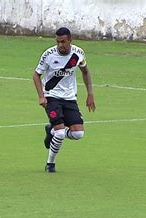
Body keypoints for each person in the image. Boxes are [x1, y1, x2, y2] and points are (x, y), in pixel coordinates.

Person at [32, 27, 96, 173]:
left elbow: (85, 71)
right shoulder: (48, 54)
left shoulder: (78, 54)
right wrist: (41, 96)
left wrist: (90, 94)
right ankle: (50, 164)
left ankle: (51, 131)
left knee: (78, 134)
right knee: (60, 133)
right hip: (51, 97)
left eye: (63, 42)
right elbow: (36, 75)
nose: (60, 45)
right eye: (58, 42)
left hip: (70, 98)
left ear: (70, 40)